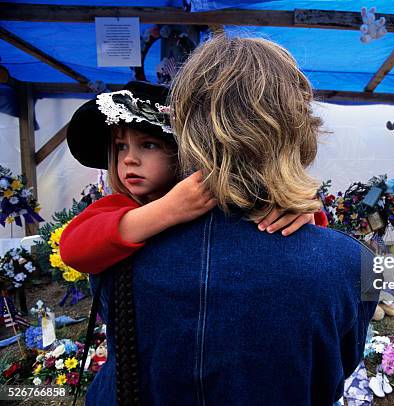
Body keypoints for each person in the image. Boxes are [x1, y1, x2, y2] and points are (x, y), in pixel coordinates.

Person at [75, 36, 377, 406]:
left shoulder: (116, 246)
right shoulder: (357, 262)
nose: (129, 159)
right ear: (295, 128)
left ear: (184, 131)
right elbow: (336, 368)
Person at [60, 81, 327, 276]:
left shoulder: (209, 194)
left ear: (183, 153)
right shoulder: (119, 207)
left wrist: (301, 210)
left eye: (148, 145)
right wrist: (168, 210)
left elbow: (308, 235)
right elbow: (73, 251)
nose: (129, 159)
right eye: (121, 147)